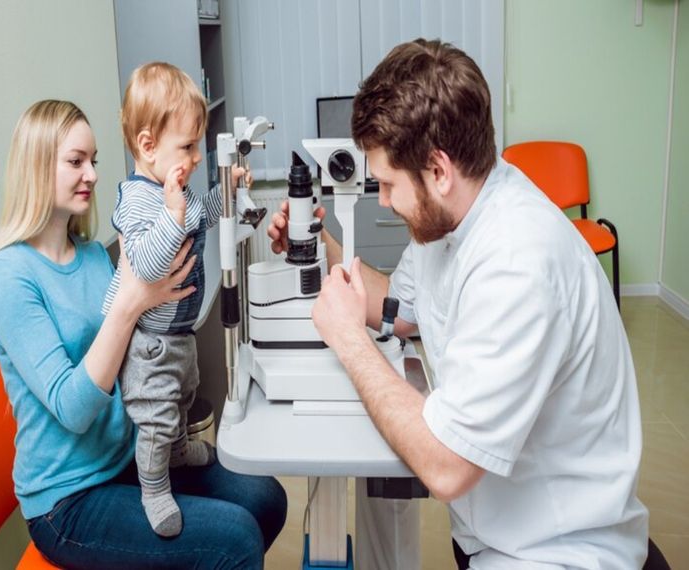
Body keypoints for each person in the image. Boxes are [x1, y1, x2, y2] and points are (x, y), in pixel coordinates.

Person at [269, 39, 649, 568]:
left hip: (555, 552)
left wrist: (350, 340)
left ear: (438, 169)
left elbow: (447, 468)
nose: (381, 200)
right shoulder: (452, 218)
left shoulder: (518, 262)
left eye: (387, 183)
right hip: (493, 531)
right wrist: (321, 242)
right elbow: (402, 309)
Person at [0, 99, 285, 569]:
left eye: (94, 161)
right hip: (69, 500)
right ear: (38, 167)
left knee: (265, 496)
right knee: (235, 540)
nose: (94, 175)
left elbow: (143, 340)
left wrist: (229, 208)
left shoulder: (91, 256)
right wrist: (131, 303)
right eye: (76, 162)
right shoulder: (9, 277)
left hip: (127, 458)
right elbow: (75, 410)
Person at [100, 62, 251, 537]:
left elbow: (199, 218)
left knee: (185, 397)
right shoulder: (139, 199)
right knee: (157, 419)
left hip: (177, 337)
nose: (196, 156)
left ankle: (182, 450)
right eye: (187, 147)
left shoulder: (174, 192)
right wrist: (172, 215)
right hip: (151, 345)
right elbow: (143, 265)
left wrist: (226, 193)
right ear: (148, 146)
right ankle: (154, 485)